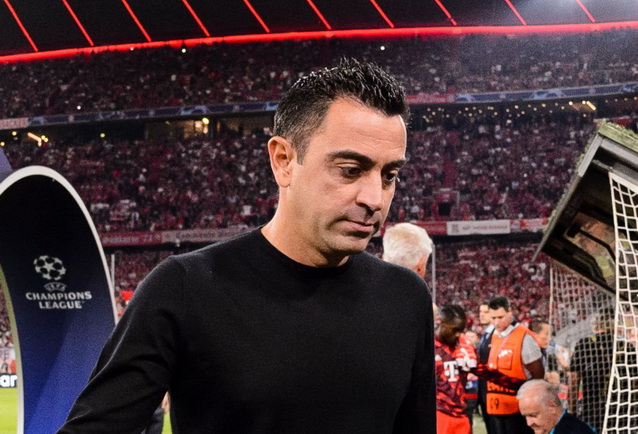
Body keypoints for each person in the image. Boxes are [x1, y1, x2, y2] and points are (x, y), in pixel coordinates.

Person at [58, 58, 437, 433]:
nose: (375, 198)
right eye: (350, 170)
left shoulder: (406, 298)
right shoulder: (185, 288)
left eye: (390, 175)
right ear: (283, 160)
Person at [478, 296, 544, 434]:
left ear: (510, 312)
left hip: (518, 409)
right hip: (497, 407)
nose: (496, 322)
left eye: (500, 317)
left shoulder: (524, 337)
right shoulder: (495, 336)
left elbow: (538, 374)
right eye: (493, 318)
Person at [435, 305, 476, 434]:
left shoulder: (463, 345)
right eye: (455, 329)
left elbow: (481, 370)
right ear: (441, 323)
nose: (458, 334)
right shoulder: (428, 345)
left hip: (461, 414)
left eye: (461, 330)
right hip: (439, 413)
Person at [517, 379, 596, 434]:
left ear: (552, 407)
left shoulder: (574, 431)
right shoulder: (558, 427)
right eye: (525, 417)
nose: (529, 423)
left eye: (533, 415)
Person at [476, 301, 495, 433]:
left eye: (486, 312)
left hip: (491, 389)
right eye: (480, 312)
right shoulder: (485, 335)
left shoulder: (496, 335)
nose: (482, 315)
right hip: (483, 388)